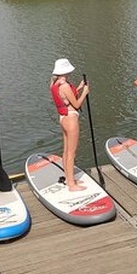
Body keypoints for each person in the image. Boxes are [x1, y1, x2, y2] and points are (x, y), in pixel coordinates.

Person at [51, 58, 89, 191]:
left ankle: (69, 178)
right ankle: (72, 185)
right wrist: (84, 92)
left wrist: (78, 87)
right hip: (71, 119)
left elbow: (66, 99)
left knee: (66, 151)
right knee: (71, 153)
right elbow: (77, 104)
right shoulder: (65, 86)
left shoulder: (55, 83)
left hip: (63, 118)